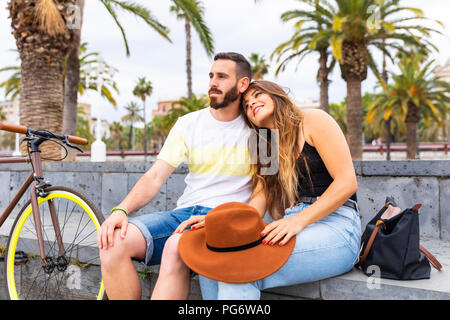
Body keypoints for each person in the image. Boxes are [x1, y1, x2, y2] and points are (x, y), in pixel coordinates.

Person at [159, 80, 361, 300]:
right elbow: (259, 200)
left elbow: (346, 182)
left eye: (257, 94)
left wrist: (297, 221)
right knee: (214, 259)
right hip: (289, 224)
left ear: (275, 94)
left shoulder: (313, 120)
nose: (251, 103)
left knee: (236, 271)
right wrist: (215, 220)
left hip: (337, 225)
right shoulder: (263, 143)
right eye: (245, 105)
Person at [96, 52, 253, 300]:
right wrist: (121, 210)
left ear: (243, 84)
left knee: (176, 246)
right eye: (211, 75)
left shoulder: (261, 128)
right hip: (184, 215)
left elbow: (270, 190)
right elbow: (155, 176)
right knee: (113, 243)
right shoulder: (188, 123)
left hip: (225, 218)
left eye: (222, 77)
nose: (213, 82)